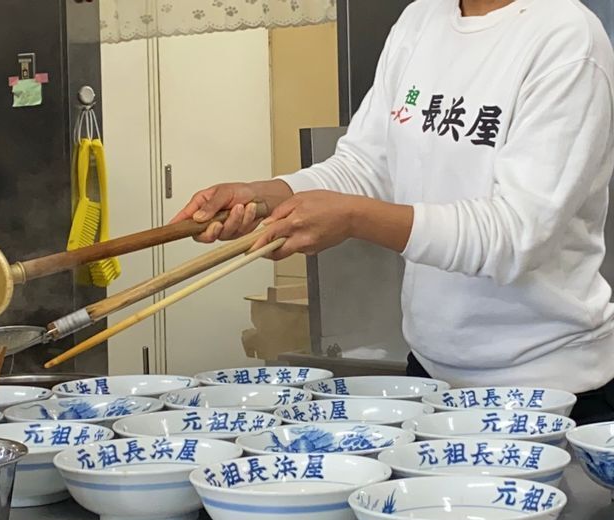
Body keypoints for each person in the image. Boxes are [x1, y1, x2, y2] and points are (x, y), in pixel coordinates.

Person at [171, 0, 614, 424]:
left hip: (550, 390)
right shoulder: (420, 21)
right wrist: (267, 194)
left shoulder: (566, 37)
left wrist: (353, 217)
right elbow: (365, 164)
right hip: (431, 376)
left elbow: (517, 235)